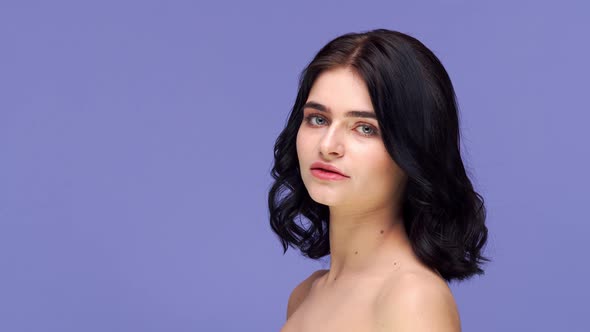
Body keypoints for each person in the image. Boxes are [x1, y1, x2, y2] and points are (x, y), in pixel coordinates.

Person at [268, 28, 490, 332]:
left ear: (413, 148)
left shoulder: (412, 300)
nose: (328, 145)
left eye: (365, 128)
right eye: (318, 119)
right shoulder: (305, 295)